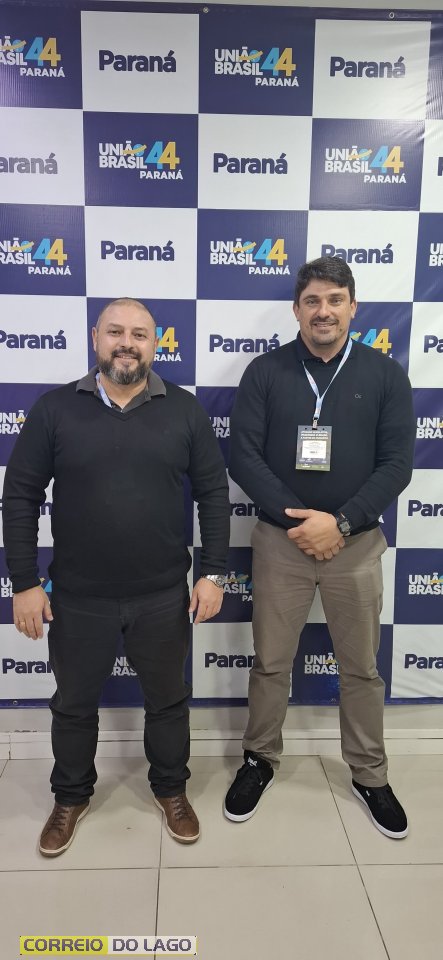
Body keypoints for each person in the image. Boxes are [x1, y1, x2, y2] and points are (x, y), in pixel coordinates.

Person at [2, 297, 230, 856]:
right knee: (73, 705)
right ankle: (70, 797)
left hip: (162, 596)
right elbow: (21, 496)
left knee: (168, 703)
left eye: (140, 334)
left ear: (156, 344)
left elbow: (213, 495)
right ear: (95, 338)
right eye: (116, 332)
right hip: (78, 598)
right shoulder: (55, 409)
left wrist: (214, 573)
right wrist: (24, 582)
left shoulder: (185, 410)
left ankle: (171, 790)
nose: (127, 343)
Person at [223, 256, 415, 839]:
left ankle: (369, 773)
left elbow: (397, 465)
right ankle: (259, 759)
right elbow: (243, 456)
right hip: (281, 543)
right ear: (296, 310)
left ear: (353, 306)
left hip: (355, 545)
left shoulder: (385, 375)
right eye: (312, 301)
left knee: (361, 669)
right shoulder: (265, 372)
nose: (323, 311)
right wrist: (301, 523)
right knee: (270, 663)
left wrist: (342, 523)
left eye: (335, 299)